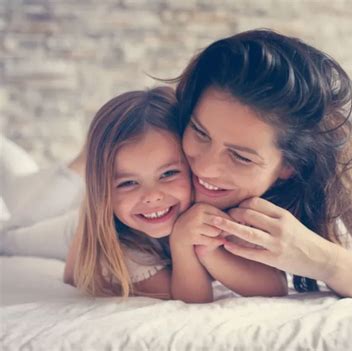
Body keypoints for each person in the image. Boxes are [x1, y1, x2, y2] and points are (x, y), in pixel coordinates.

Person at [169, 29, 352, 304]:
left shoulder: (341, 154)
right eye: (199, 132)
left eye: (241, 157)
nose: (205, 168)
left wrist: (323, 260)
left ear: (289, 166)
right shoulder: (157, 129)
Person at [62, 86, 288, 302]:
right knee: (27, 238)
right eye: (128, 182)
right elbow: (189, 303)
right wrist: (182, 245)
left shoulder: (217, 206)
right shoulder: (123, 246)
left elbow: (275, 288)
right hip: (72, 226)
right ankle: (74, 169)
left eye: (168, 173)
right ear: (103, 193)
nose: (151, 196)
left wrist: (210, 251)